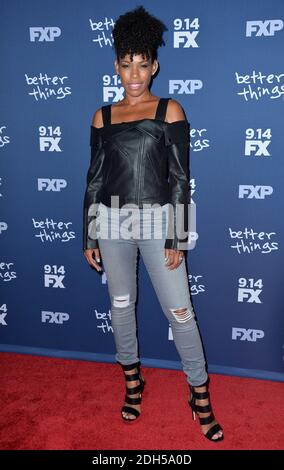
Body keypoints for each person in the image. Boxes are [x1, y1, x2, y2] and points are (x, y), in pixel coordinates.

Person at [83, 5, 223, 442]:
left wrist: (177, 234)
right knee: (121, 307)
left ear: (155, 65)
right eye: (127, 66)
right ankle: (132, 382)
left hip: (159, 219)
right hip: (110, 221)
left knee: (181, 312)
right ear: (117, 67)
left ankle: (199, 392)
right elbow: (94, 178)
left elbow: (181, 178)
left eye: (143, 65)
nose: (135, 74)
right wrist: (89, 231)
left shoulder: (170, 111)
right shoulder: (101, 117)